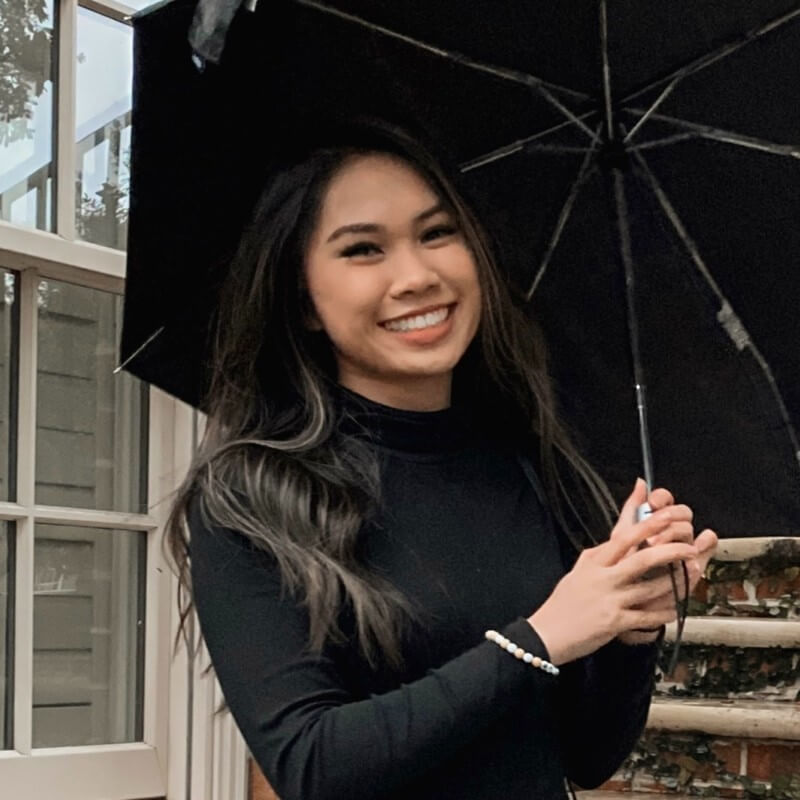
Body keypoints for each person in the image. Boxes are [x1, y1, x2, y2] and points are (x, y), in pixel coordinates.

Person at [165, 121, 718, 800]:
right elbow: (312, 765)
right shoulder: (252, 496)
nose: (417, 276)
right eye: (364, 249)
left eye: (438, 233)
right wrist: (539, 638)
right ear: (303, 300)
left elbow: (587, 755)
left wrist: (629, 624)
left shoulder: (532, 464)